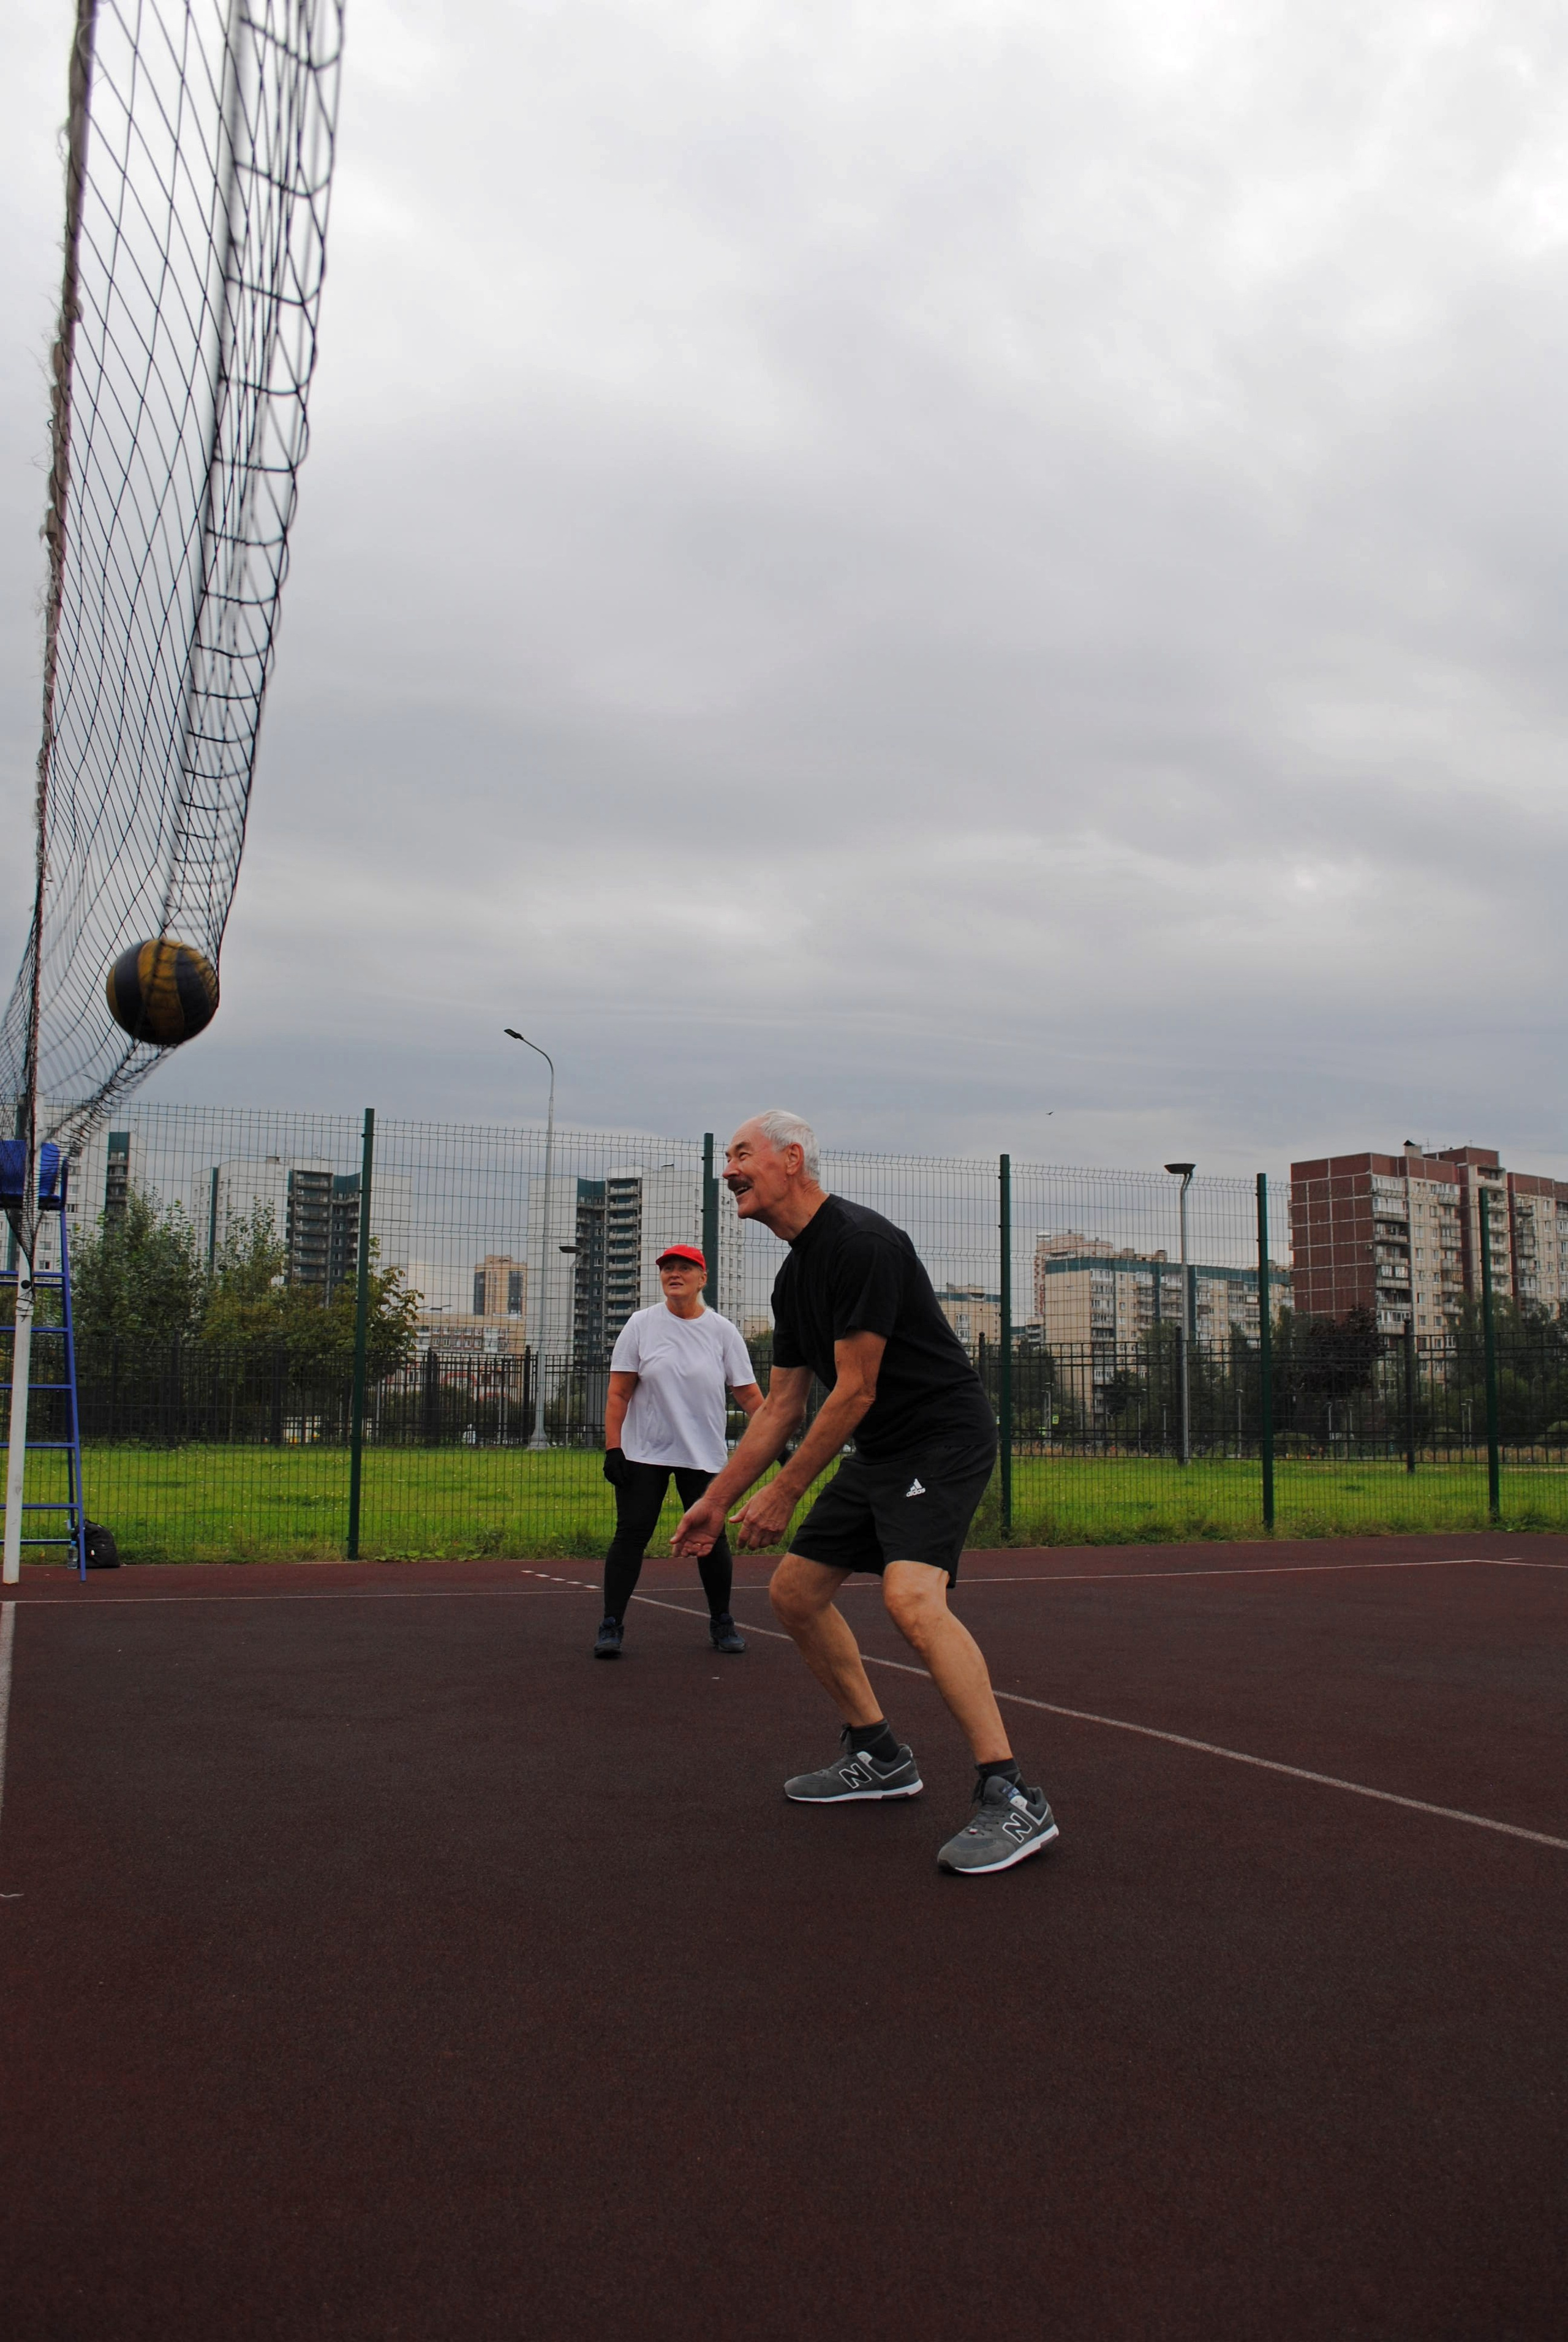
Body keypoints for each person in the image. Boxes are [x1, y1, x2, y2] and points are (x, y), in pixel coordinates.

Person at [673, 1112, 1058, 1876]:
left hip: (942, 1437)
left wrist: (784, 1492)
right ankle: (880, 1754)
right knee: (794, 1593)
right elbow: (783, 1405)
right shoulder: (794, 1275)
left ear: (792, 1159)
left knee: (912, 1599)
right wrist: (717, 1498)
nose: (729, 1171)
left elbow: (854, 1390)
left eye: (742, 1155)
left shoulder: (861, 1243)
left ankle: (1013, 1795)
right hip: (882, 1448)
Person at [596, 1242, 763, 1660]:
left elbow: (749, 1395)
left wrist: (778, 1445)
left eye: (685, 1269)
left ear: (702, 1278)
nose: (675, 1274)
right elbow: (618, 1393)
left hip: (703, 1455)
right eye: (668, 1268)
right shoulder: (641, 1324)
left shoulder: (722, 1331)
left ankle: (722, 1621)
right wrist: (614, 1449)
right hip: (644, 1454)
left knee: (712, 1537)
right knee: (631, 1535)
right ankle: (611, 1625)